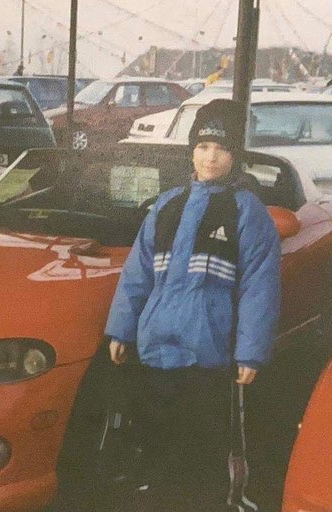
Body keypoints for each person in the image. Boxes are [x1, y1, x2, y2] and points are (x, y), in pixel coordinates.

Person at [104, 98, 282, 510]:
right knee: (156, 435)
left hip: (210, 353)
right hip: (156, 347)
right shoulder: (167, 205)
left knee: (201, 443)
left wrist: (250, 352)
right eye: (202, 147)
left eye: (220, 148)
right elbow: (137, 273)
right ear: (191, 151)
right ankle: (161, 496)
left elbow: (259, 287)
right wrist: (121, 329)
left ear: (235, 155)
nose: (210, 157)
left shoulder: (246, 210)